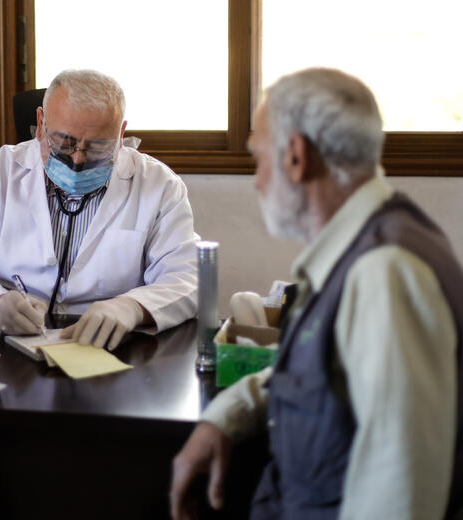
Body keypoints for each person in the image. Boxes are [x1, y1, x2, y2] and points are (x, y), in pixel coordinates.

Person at [170, 68, 463, 519]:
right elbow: (318, 372)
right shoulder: (361, 248)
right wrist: (224, 418)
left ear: (295, 157)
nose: (257, 181)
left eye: (258, 158)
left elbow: (398, 491)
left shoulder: (383, 273)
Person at [0, 69, 199, 349]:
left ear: (121, 134)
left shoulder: (159, 185)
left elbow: (187, 278)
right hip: (11, 345)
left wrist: (132, 308)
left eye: (97, 147)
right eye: (65, 143)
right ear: (40, 122)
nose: (79, 159)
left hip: (114, 347)